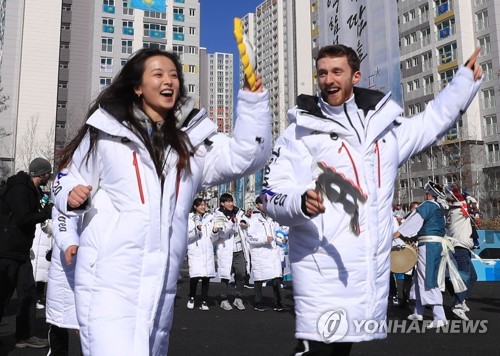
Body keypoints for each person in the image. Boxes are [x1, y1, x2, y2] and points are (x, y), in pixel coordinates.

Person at [261, 44, 482, 354]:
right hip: (321, 268)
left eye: (337, 71)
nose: (328, 79)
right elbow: (271, 192)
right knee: (318, 349)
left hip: (367, 274)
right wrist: (299, 202)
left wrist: (464, 82)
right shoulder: (300, 133)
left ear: (355, 76)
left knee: (340, 350)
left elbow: (431, 122)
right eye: (322, 72)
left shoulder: (386, 132)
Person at [51, 48, 271, 355]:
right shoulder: (106, 132)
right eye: (158, 74)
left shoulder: (193, 143)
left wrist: (253, 102)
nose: (169, 81)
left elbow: (246, 158)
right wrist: (72, 197)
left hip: (160, 288)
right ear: (138, 86)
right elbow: (65, 178)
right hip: (108, 281)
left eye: (173, 75)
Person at [395, 182, 466, 328]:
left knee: (428, 277)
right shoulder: (440, 208)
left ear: (428, 194)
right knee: (421, 276)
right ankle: (418, 310)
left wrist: (398, 234)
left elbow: (414, 221)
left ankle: (439, 316)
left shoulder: (427, 205)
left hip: (429, 246)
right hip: (435, 245)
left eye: (426, 193)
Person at [0, 157, 53, 348]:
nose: (50, 175)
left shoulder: (32, 189)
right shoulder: (20, 189)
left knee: (28, 292)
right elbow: (24, 218)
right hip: (8, 251)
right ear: (42, 173)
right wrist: (47, 213)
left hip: (20, 251)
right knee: (3, 294)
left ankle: (24, 336)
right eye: (49, 172)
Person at [45, 207, 81, 355]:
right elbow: (63, 215)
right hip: (66, 267)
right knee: (59, 322)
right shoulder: (69, 189)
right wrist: (68, 242)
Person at [212, 193, 248, 311]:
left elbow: (246, 222)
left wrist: (244, 222)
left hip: (239, 249)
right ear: (222, 203)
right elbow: (221, 234)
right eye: (227, 202)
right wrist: (231, 222)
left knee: (242, 273)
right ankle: (224, 299)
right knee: (225, 275)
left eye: (231, 201)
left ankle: (238, 297)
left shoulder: (238, 212)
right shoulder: (218, 215)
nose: (231, 204)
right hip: (226, 249)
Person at [246, 196, 283, 312]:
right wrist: (264, 239)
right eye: (263, 204)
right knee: (259, 278)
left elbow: (278, 232)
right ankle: (258, 302)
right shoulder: (253, 219)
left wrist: (281, 239)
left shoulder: (273, 218)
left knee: (277, 278)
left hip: (273, 252)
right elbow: (250, 238)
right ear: (257, 205)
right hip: (260, 253)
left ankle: (278, 302)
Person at [446, 189, 477, 320]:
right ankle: (457, 305)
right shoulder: (459, 211)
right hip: (460, 248)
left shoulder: (455, 211)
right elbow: (474, 204)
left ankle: (460, 299)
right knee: (464, 277)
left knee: (472, 276)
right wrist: (467, 195)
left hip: (462, 248)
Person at [186, 198, 215, 311]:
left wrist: (215, 232)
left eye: (204, 205)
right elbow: (187, 236)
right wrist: (197, 229)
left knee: (206, 277)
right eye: (201, 205)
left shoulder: (209, 218)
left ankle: (204, 300)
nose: (203, 207)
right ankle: (192, 297)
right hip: (195, 250)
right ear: (195, 206)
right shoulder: (189, 219)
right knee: (195, 276)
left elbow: (213, 237)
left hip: (207, 250)